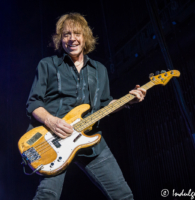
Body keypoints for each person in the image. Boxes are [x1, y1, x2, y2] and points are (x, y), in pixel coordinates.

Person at [26, 13, 146, 200]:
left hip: (89, 139)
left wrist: (127, 101)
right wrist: (51, 121)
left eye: (77, 33)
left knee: (123, 196)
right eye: (66, 34)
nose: (72, 38)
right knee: (47, 196)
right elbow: (34, 103)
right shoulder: (48, 65)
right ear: (60, 39)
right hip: (53, 139)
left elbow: (106, 105)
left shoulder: (99, 70)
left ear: (85, 37)